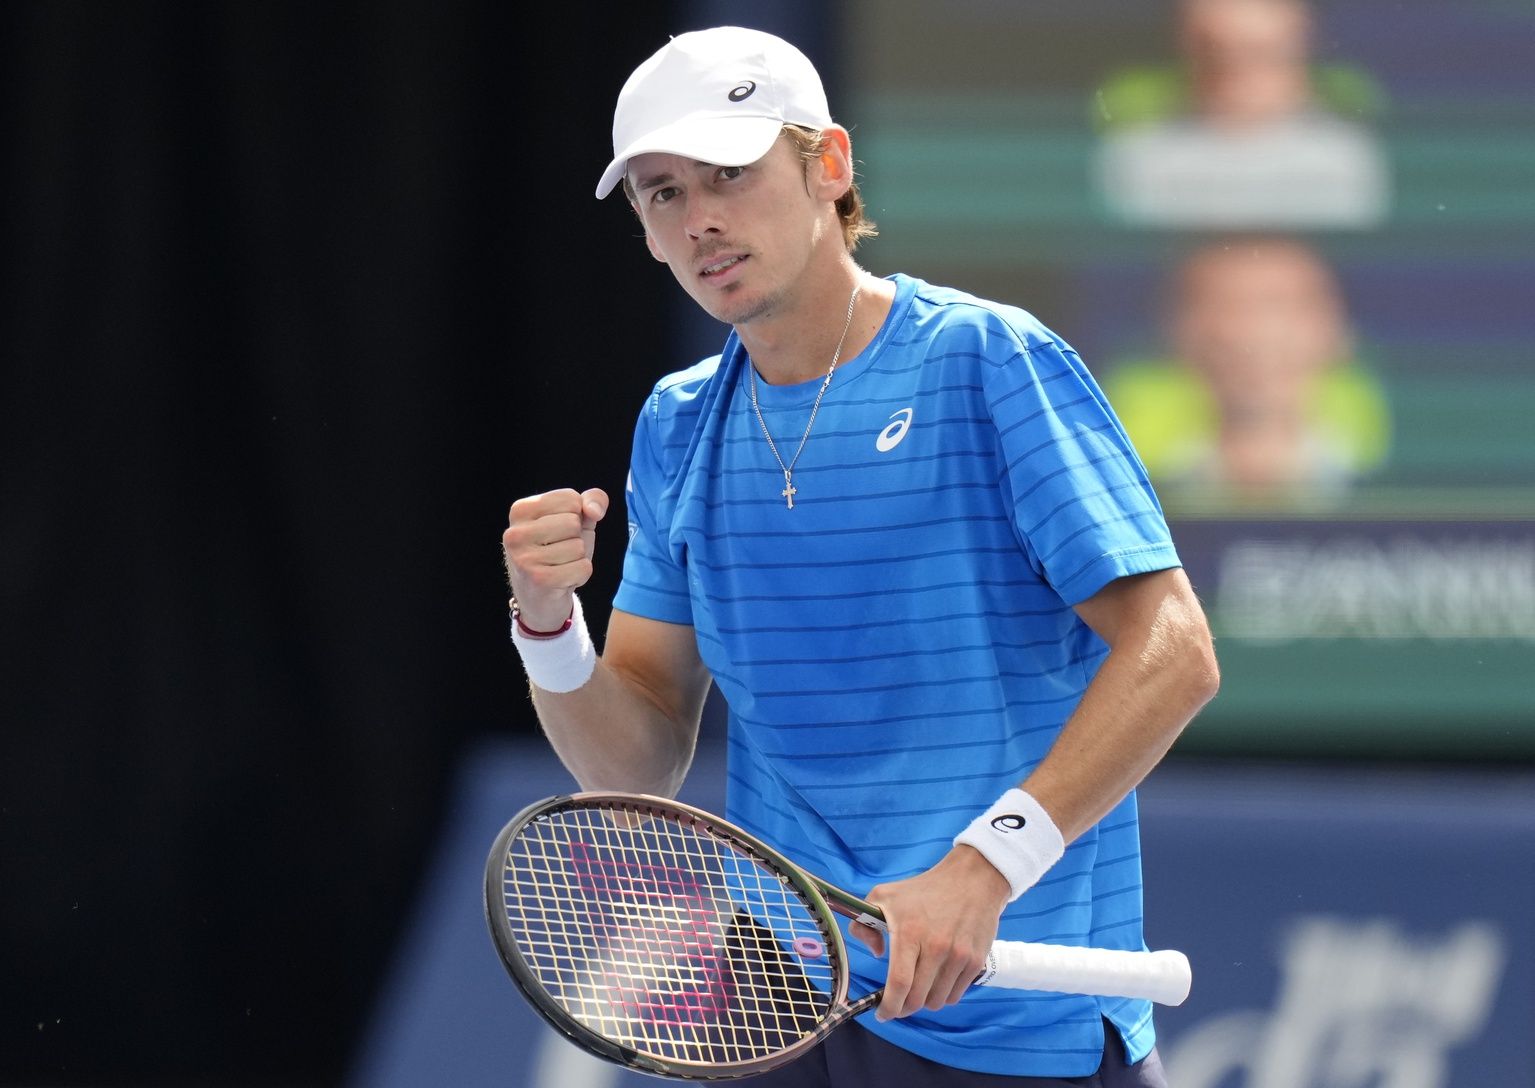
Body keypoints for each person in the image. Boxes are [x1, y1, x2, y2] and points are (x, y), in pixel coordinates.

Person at [501, 26, 1219, 1087]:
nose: (698, 217)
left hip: (1015, 1023)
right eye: (659, 193)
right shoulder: (678, 422)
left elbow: (1173, 649)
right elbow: (635, 758)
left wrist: (982, 869)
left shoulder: (985, 361)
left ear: (827, 166)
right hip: (783, 1005)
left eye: (729, 174)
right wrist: (549, 627)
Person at [1103, 234, 1391, 510]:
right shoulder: (1124, 494)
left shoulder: (1393, 488)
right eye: (1223, 306)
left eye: (1278, 304)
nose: (1250, 333)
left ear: (1334, 329)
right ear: (1177, 332)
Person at [1093, 0, 1390, 229]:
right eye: (1214, 51)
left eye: (1259, 52)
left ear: (1300, 48)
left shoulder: (1346, 158)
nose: (1236, 71)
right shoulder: (1138, 157)